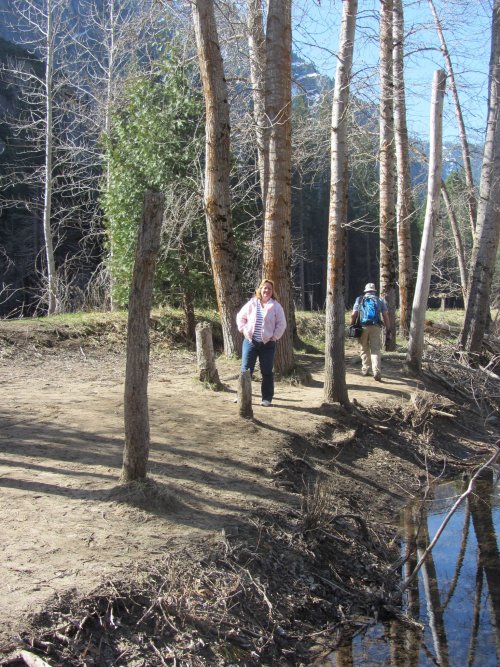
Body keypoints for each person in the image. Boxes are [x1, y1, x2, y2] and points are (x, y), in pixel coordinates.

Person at [236, 279, 287, 406]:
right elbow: (240, 317)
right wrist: (243, 330)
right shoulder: (252, 303)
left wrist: (274, 337)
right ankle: (242, 395)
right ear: (260, 289)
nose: (267, 291)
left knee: (267, 371)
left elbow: (282, 324)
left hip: (268, 345)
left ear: (272, 291)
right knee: (246, 369)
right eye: (264, 288)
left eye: (269, 288)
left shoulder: (276, 306)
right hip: (250, 342)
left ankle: (266, 398)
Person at [351, 282, 391, 381]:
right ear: (374, 291)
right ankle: (376, 371)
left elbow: (354, 314)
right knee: (375, 349)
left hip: (363, 327)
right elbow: (385, 316)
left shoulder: (360, 299)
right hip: (376, 327)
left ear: (365, 291)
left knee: (364, 348)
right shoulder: (379, 300)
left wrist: (352, 324)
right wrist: (388, 328)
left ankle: (365, 369)